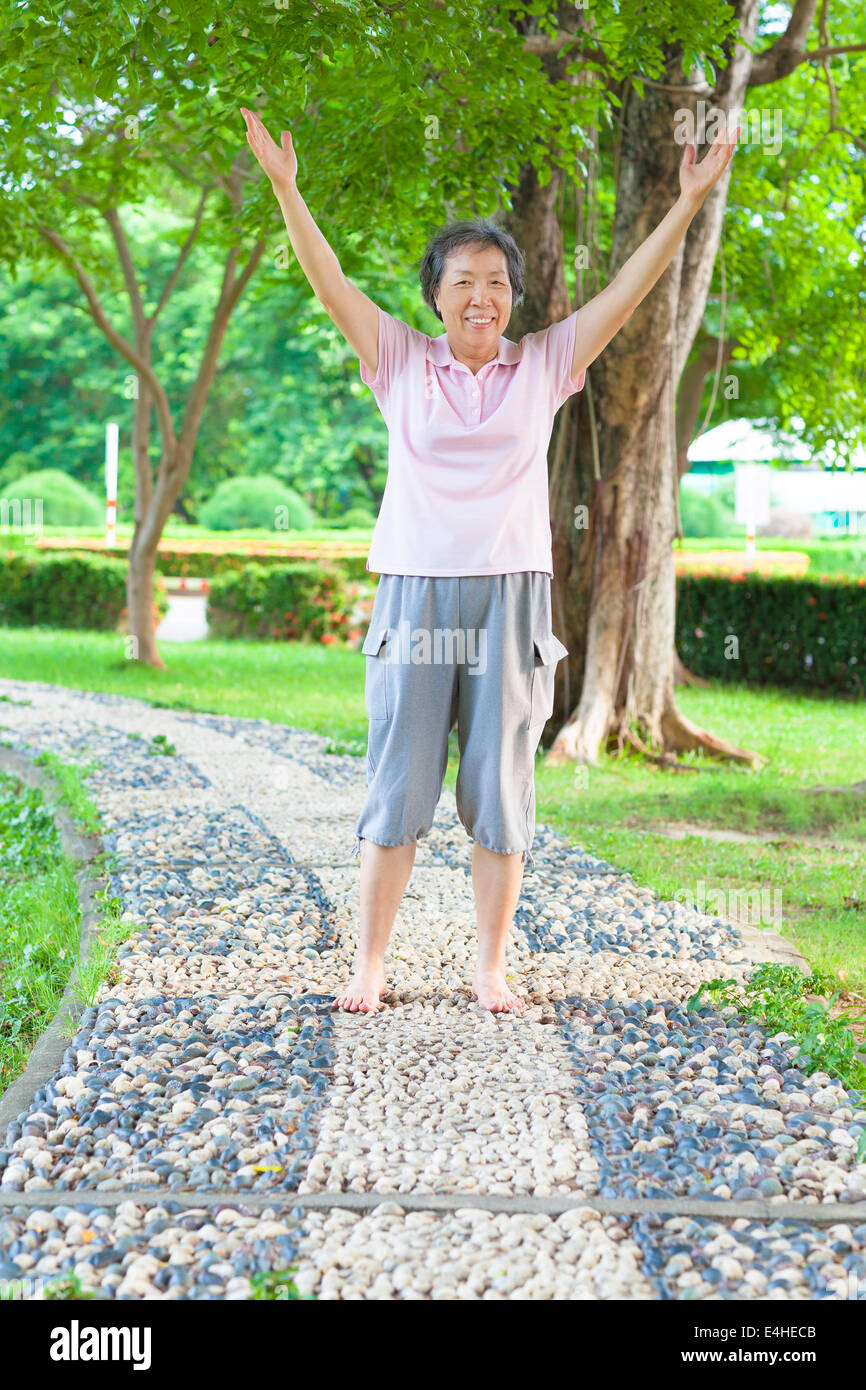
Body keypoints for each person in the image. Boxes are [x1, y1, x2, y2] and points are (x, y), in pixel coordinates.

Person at [241, 105, 738, 1015]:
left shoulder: (546, 364)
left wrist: (690, 201)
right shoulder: (396, 358)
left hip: (512, 599)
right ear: (436, 294)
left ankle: (491, 968)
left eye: (499, 283)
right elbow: (330, 282)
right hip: (415, 592)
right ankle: (371, 966)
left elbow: (627, 291)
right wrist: (286, 188)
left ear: (515, 295)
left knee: (502, 786)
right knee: (398, 782)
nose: (483, 298)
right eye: (465, 282)